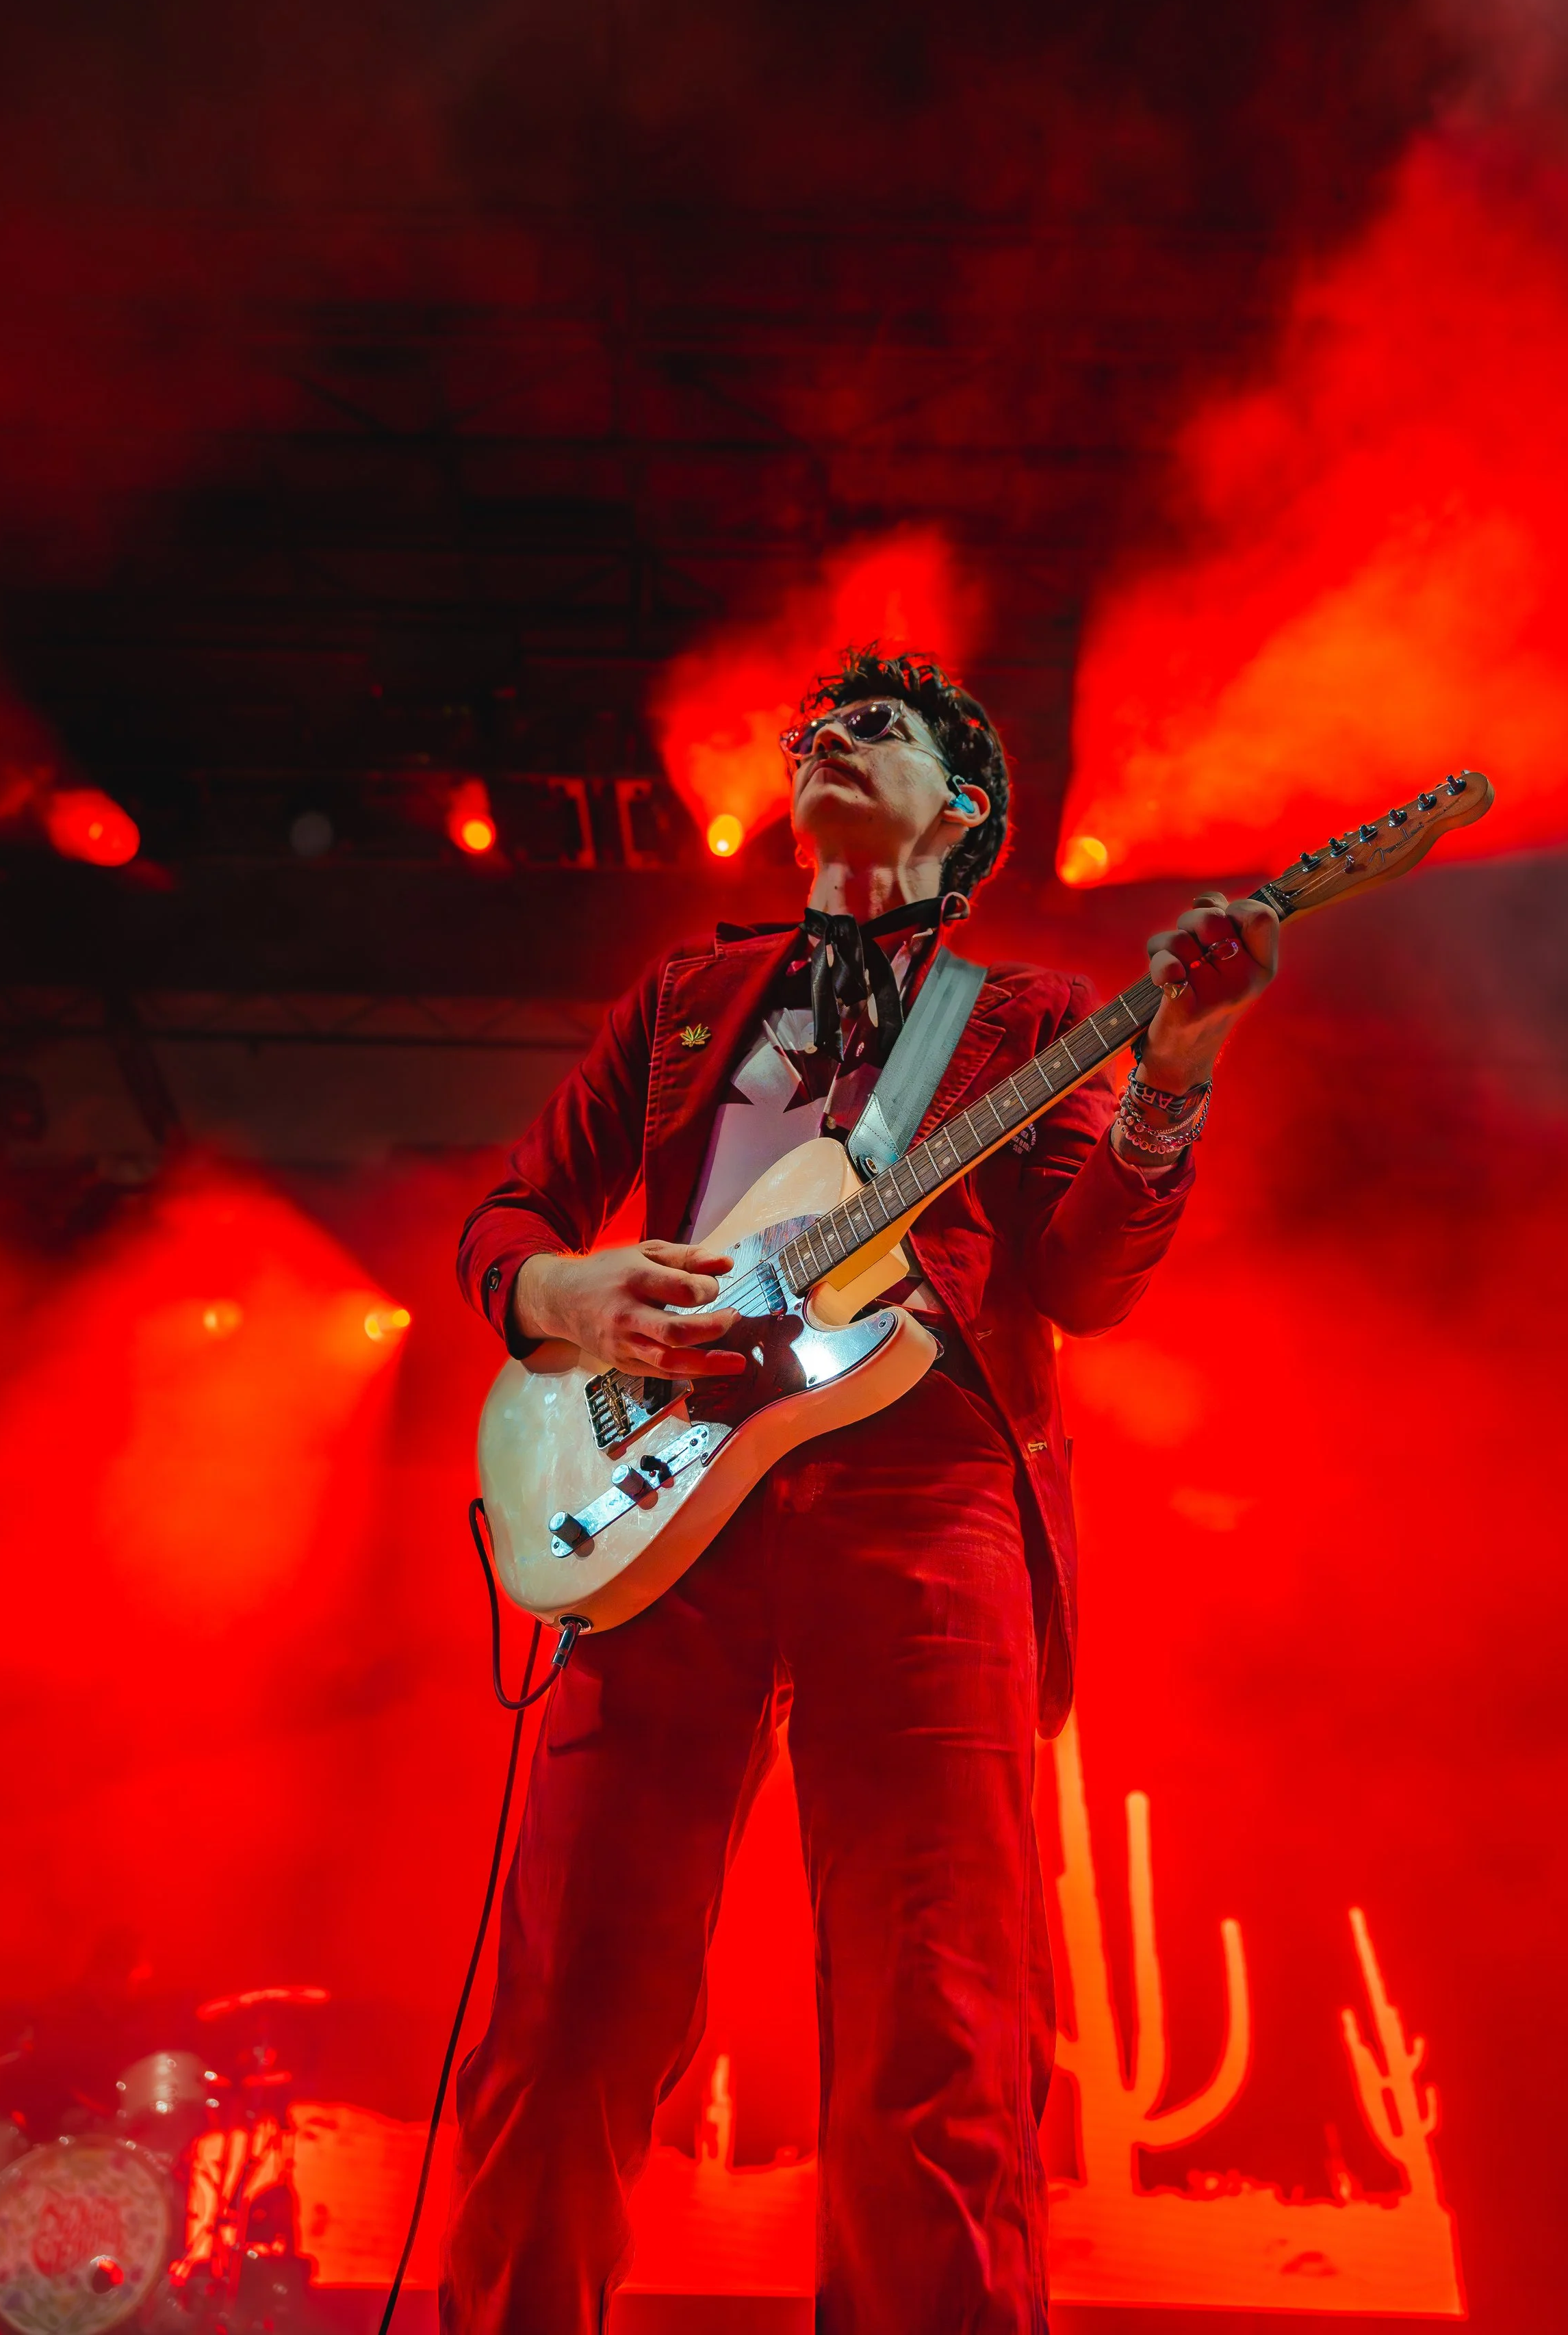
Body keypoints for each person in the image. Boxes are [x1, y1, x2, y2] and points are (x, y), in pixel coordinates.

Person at [445, 647, 1278, 2335]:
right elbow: (517, 1207)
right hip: (662, 1501)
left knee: (942, 2021)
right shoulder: (691, 994)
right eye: (814, 726)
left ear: (961, 809)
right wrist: (561, 1297)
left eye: (875, 727)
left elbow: (1083, 1282)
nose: (829, 736)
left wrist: (1172, 1076)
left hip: (925, 1488)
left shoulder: (1036, 1019)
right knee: (568, 2005)